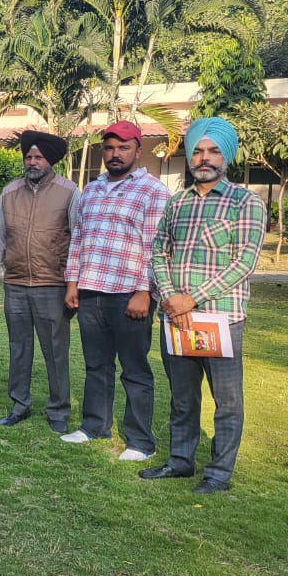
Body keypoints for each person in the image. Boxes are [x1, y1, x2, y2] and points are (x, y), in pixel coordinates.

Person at [140, 117, 265, 494]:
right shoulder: (176, 203)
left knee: (227, 401)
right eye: (197, 151)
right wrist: (170, 298)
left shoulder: (246, 202)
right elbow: (158, 252)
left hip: (221, 319)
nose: (204, 158)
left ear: (225, 156)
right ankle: (180, 461)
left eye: (213, 151)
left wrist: (190, 299)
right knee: (183, 397)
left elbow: (244, 262)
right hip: (177, 319)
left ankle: (218, 474)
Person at [62, 121, 172, 461]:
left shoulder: (153, 191)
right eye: (109, 148)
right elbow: (78, 239)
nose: (115, 154)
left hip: (129, 294)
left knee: (134, 369)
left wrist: (145, 291)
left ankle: (140, 442)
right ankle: (94, 425)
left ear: (138, 150)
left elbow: (156, 247)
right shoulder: (91, 190)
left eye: (123, 148)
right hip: (91, 290)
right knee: (96, 365)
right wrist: (72, 282)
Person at [0, 131, 80, 432]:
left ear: (49, 160)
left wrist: (73, 283)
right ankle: (19, 405)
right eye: (28, 156)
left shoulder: (69, 192)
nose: (32, 162)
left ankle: (58, 411)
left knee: (55, 351)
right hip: (15, 285)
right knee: (19, 349)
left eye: (38, 157)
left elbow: (78, 239)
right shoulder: (10, 192)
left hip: (52, 284)